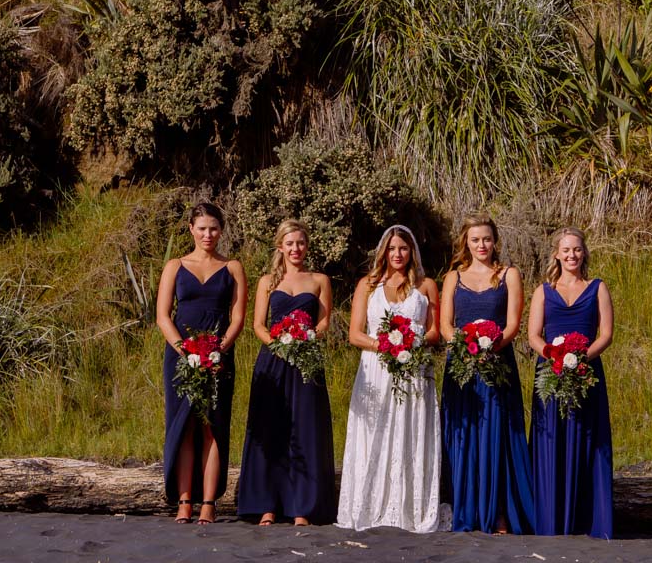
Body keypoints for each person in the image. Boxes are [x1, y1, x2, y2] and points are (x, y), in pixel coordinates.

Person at [337, 225, 447, 532]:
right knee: (373, 432)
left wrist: (411, 342)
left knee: (409, 431)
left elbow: (435, 331)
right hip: (375, 369)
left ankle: (410, 509)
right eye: (392, 248)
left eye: (403, 248)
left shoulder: (426, 286)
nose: (397, 254)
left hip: (414, 368)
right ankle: (368, 506)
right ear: (383, 251)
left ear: (412, 252)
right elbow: (355, 334)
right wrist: (385, 345)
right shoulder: (367, 285)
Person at [236, 219, 337, 526]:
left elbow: (323, 323)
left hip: (306, 362)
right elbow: (257, 325)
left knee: (305, 429)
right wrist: (279, 345)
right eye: (290, 243)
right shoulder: (268, 281)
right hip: (273, 362)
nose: (296, 249)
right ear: (280, 246)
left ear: (307, 246)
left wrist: (305, 338)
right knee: (271, 428)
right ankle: (267, 505)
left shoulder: (320, 279)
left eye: (301, 243)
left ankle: (301, 507)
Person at [440, 213, 535, 535]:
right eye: (475, 239)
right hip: (462, 369)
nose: (482, 245)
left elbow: (513, 325)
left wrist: (489, 348)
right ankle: (468, 511)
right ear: (466, 242)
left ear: (495, 241)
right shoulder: (453, 277)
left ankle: (500, 515)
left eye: (487, 239)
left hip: (498, 364)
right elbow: (444, 326)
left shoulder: (509, 274)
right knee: (465, 436)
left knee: (498, 436)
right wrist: (466, 347)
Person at [156, 203, 248, 525]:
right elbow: (163, 316)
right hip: (181, 358)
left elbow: (238, 316)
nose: (208, 234)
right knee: (184, 427)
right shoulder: (175, 265)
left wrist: (218, 349)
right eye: (202, 228)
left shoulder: (233, 267)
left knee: (212, 425)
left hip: (219, 355)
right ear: (191, 229)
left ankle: (208, 502)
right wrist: (185, 349)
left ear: (221, 230)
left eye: (214, 228)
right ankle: (184, 501)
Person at [526, 227, 614, 538]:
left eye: (577, 249)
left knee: (588, 438)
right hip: (550, 373)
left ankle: (589, 520)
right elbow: (533, 336)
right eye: (566, 250)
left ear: (584, 252)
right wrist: (556, 358)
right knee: (552, 440)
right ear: (556, 254)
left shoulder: (597, 288)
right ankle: (550, 519)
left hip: (586, 373)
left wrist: (580, 360)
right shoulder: (543, 291)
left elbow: (605, 334)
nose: (571, 255)